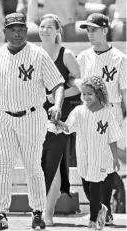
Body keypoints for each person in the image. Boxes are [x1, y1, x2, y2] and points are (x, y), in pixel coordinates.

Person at [0, 12, 65, 231]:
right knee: (2, 166)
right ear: (5, 31)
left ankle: (38, 213)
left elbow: (57, 84)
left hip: (32, 115)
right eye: (13, 29)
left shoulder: (38, 54)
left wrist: (56, 104)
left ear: (27, 31)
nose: (17, 33)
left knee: (33, 166)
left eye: (21, 29)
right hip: (4, 116)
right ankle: (0, 215)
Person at [71, 12, 127, 225]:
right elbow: (76, 84)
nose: (90, 33)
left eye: (94, 29)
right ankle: (101, 205)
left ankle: (105, 209)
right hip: (87, 113)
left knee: (106, 163)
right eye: (88, 29)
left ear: (105, 30)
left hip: (111, 110)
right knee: (85, 166)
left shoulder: (120, 58)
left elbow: (124, 91)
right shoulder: (84, 56)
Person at [57, 75, 123, 230]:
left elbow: (112, 137)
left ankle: (93, 221)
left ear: (98, 93)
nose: (86, 97)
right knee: (87, 189)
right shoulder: (78, 111)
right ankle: (101, 208)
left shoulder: (107, 114)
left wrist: (114, 158)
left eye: (89, 94)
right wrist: (57, 122)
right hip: (83, 157)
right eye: (83, 94)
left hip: (100, 157)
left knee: (94, 189)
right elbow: (68, 128)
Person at [38, 13, 80, 225]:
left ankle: (47, 212)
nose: (44, 30)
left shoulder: (66, 54)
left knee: (53, 166)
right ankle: (40, 209)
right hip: (34, 118)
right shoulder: (33, 53)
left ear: (57, 31)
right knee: (38, 166)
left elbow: (81, 87)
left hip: (59, 118)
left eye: (49, 27)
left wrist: (55, 96)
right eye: (41, 26)